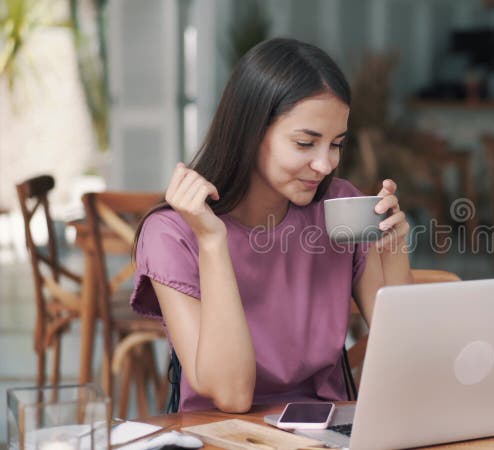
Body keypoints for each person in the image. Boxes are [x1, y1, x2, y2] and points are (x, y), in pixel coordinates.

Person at [130, 38, 412, 413]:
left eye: (336, 144)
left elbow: (407, 358)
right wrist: (213, 243)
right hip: (222, 436)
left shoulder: (336, 207)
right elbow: (231, 396)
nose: (325, 164)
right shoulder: (173, 233)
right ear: (250, 131)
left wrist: (392, 249)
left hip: (326, 432)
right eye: (304, 143)